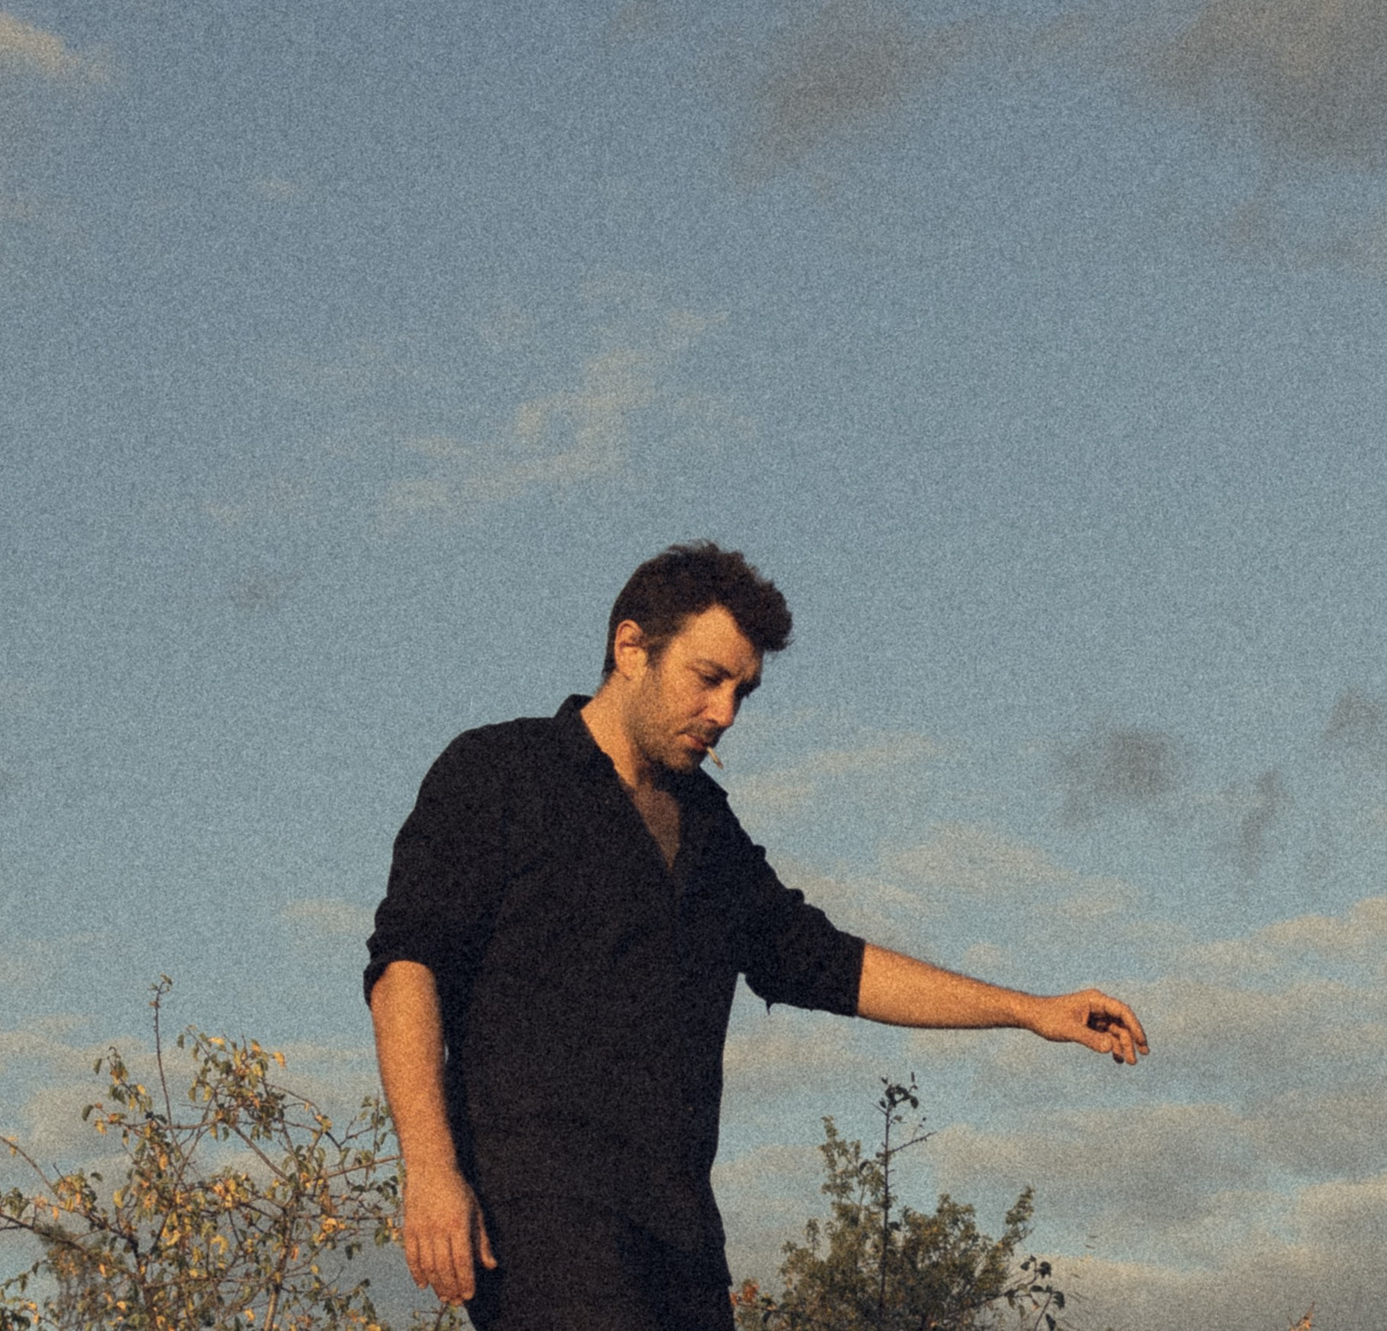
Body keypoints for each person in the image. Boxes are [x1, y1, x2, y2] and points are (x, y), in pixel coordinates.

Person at [364, 542, 1147, 1331]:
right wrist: (431, 1169)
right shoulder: (501, 770)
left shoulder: (710, 829)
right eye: (709, 679)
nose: (726, 714)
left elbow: (827, 963)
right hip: (542, 1209)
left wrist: (1030, 1009)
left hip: (683, 1235)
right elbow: (407, 965)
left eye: (744, 690)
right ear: (631, 648)